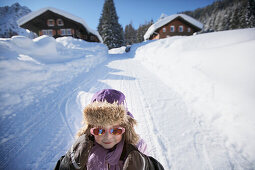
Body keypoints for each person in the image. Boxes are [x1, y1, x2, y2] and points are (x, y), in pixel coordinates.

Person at [55, 89, 163, 170]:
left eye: (115, 130)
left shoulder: (137, 148)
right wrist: (69, 162)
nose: (107, 137)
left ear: (125, 128)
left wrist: (147, 165)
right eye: (99, 131)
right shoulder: (84, 150)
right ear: (90, 130)